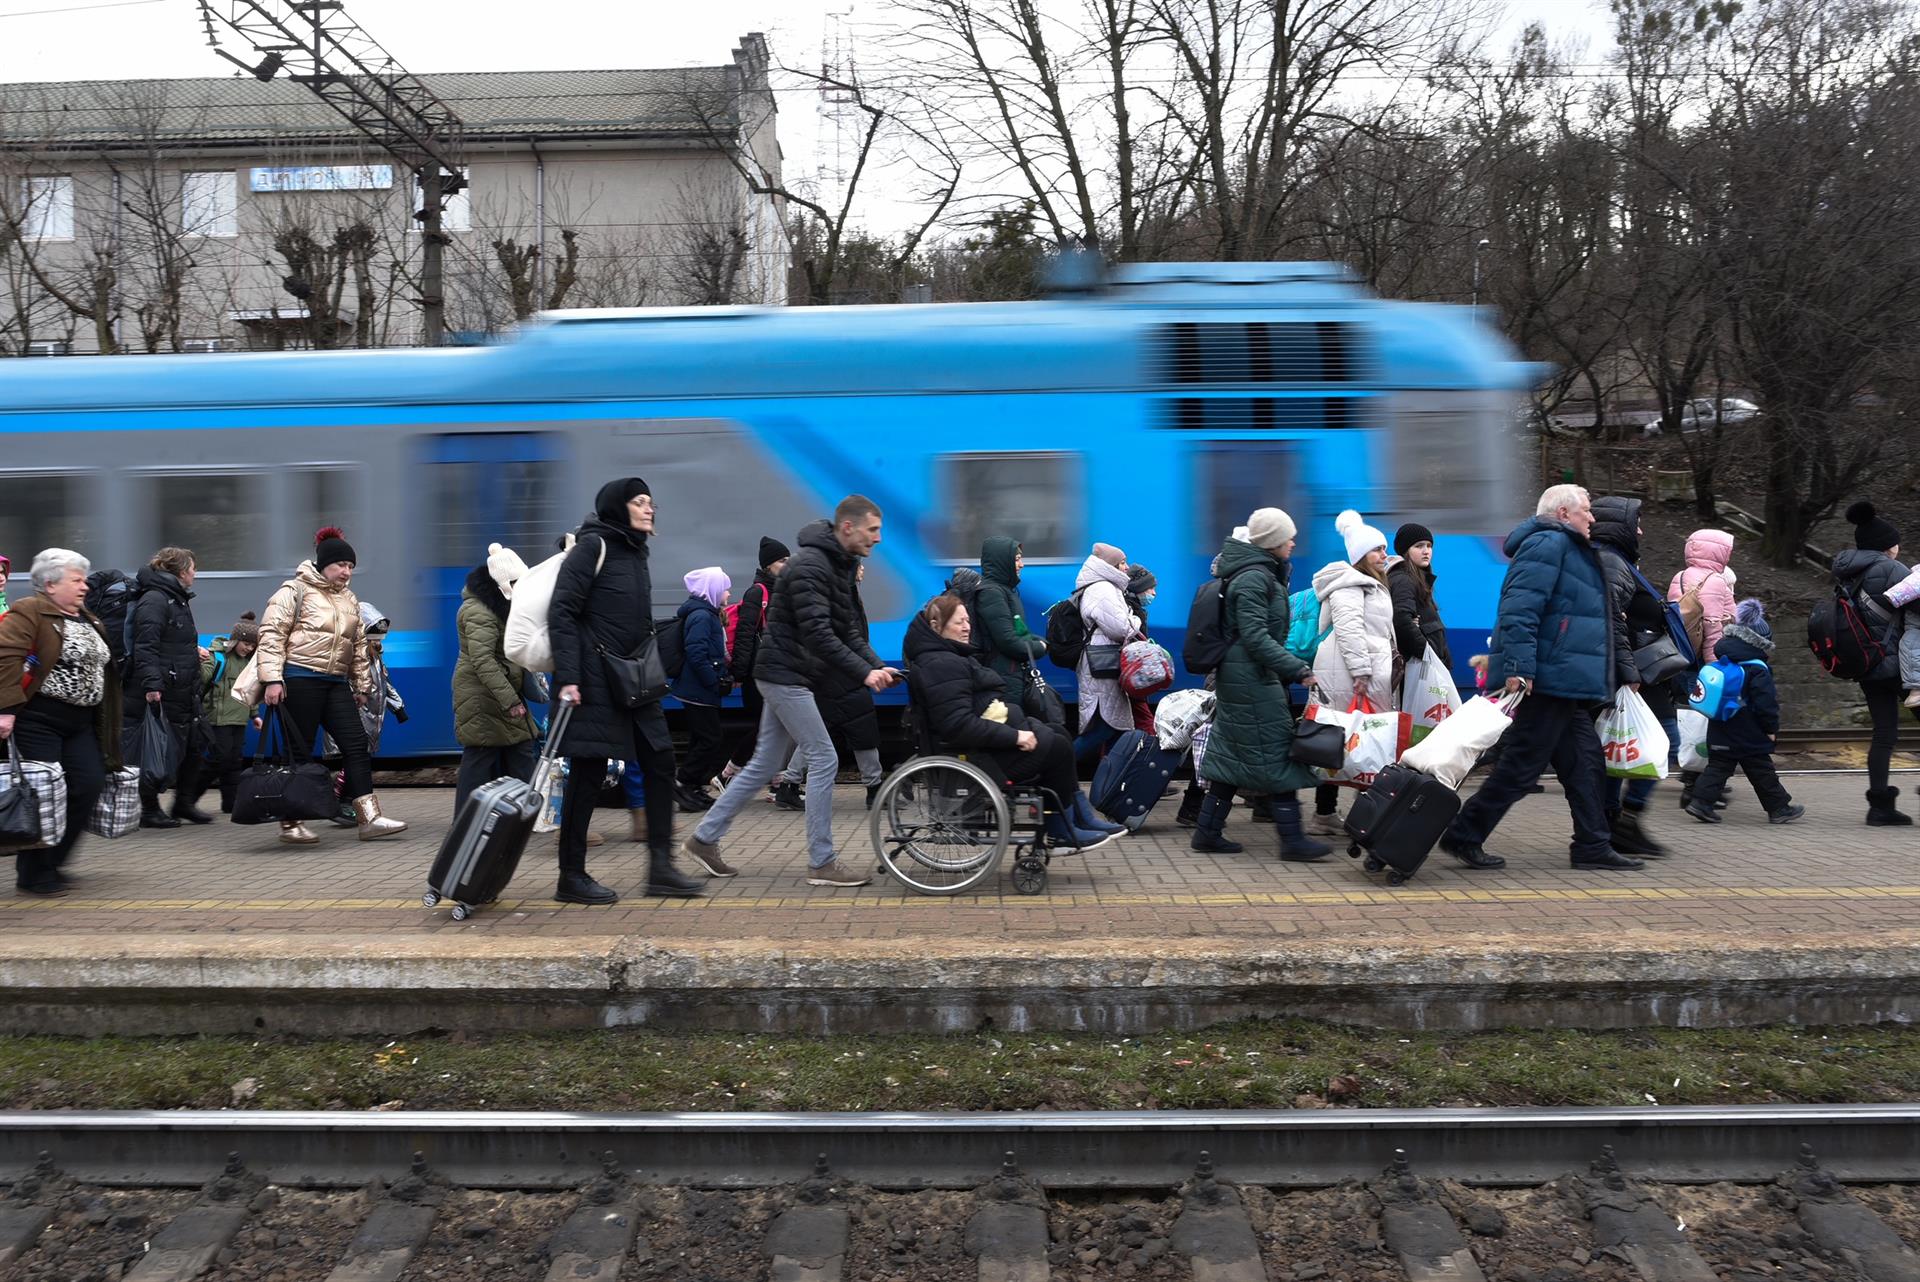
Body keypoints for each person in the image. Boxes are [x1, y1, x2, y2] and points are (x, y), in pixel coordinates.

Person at [685, 496, 900, 888]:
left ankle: (704, 839)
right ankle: (822, 861)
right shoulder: (810, 567)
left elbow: (849, 630)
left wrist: (875, 664)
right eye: (873, 530)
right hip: (786, 674)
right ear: (848, 528)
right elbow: (820, 633)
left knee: (765, 764)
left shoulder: (839, 565)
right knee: (824, 758)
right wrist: (863, 673)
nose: (878, 539)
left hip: (793, 674)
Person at [1439, 484, 1643, 872]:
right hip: (1548, 678)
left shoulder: (1567, 547)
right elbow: (1519, 609)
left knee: (1585, 764)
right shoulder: (1547, 545)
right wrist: (1519, 667)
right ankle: (1463, 833)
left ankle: (1592, 844)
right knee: (1520, 768)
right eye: (1586, 510)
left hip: (1564, 680)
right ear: (1564, 513)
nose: (1592, 518)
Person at [549, 478, 706, 903]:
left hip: (635, 679)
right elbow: (561, 610)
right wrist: (568, 677)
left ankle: (661, 868)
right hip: (593, 681)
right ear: (619, 508)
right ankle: (571, 876)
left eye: (651, 502)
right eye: (640, 502)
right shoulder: (592, 548)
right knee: (587, 776)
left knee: (660, 762)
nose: (649, 509)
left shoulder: (636, 553)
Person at [907, 593, 1120, 851]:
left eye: (967, 620)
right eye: (959, 622)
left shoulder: (945, 655)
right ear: (936, 627)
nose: (967, 627)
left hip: (979, 748)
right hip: (975, 758)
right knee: (1057, 748)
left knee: (1057, 733)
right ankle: (1060, 832)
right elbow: (958, 724)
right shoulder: (942, 663)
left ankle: (1079, 817)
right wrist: (1015, 737)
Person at [1190, 510, 1331, 861]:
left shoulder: (1259, 573)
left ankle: (1207, 833)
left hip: (1245, 675)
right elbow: (1255, 637)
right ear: (1272, 542)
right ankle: (1293, 840)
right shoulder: (1254, 578)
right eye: (1287, 537)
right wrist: (1297, 669)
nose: (1293, 542)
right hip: (1250, 677)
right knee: (1278, 753)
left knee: (1233, 755)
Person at [257, 527, 406, 845]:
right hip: (300, 678)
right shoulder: (293, 591)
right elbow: (271, 634)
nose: (347, 571)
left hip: (335, 683)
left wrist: (362, 686)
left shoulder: (349, 600)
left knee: (357, 745)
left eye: (351, 566)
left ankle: (370, 818)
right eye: (341, 565)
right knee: (298, 751)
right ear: (324, 564)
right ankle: (291, 822)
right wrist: (272, 679)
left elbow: (357, 645)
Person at [0, 549, 121, 896]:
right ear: (51, 585)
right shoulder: (30, 611)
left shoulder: (86, 617)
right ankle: (34, 872)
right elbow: (6, 658)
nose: (84, 586)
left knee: (88, 785)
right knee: (44, 795)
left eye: (84, 579)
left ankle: (54, 860)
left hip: (81, 721)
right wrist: (6, 709)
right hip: (39, 719)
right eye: (77, 580)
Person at [1588, 496, 1676, 858]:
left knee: (1620, 747)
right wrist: (1626, 670)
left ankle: (1617, 824)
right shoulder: (1610, 562)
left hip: (1637, 670)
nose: (1640, 530)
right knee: (1645, 742)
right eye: (1635, 523)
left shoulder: (1619, 561)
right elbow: (1610, 619)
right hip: (1630, 673)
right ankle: (1621, 821)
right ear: (1618, 527)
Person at [1307, 510, 1398, 836]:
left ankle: (1329, 815)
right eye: (1378, 549)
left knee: (1353, 742)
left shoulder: (1371, 583)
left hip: (1360, 671)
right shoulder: (1350, 585)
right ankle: (1358, 817)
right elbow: (1349, 629)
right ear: (1360, 555)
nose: (1383, 554)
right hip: (1351, 674)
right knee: (1353, 740)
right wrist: (1361, 670)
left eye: (1384, 548)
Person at [1833, 501, 1920, 825]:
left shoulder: (1848, 571)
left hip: (1867, 662)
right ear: (1887, 545)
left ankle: (1879, 807)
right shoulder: (1891, 569)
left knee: (1884, 734)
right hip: (1900, 662)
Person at [1683, 599, 1803, 825]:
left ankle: (1700, 802)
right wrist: (1770, 729)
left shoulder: (1724, 661)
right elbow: (1766, 704)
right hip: (1749, 731)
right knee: (1762, 769)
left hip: (1720, 725)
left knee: (1718, 766)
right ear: (1761, 643)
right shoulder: (1757, 669)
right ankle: (1779, 808)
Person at [123, 547, 209, 828]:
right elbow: (145, 645)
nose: (195, 573)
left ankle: (183, 803)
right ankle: (149, 809)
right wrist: (152, 684)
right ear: (182, 571)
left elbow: (170, 639)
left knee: (194, 746)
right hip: (164, 688)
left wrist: (192, 650)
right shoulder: (155, 599)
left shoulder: (176, 599)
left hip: (184, 686)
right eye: (193, 568)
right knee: (158, 747)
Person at [451, 546, 538, 815]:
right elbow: (482, 660)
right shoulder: (479, 611)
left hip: (494, 692)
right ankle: (467, 818)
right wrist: (510, 700)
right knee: (482, 755)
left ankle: (525, 812)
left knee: (518, 749)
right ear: (504, 584)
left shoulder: (496, 607)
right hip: (482, 696)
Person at [724, 536, 788, 787]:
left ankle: (775, 781)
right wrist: (740, 673)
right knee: (765, 725)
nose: (787, 564)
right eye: (783, 561)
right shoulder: (757, 592)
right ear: (768, 565)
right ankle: (730, 772)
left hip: (775, 670)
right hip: (756, 673)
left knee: (774, 725)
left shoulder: (781, 590)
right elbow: (745, 634)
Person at [1072, 542, 1140, 771]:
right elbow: (1120, 628)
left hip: (1103, 666)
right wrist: (1135, 620)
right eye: (1122, 562)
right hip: (1102, 666)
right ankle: (1058, 767)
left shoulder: (1104, 587)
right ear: (1110, 565)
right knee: (1105, 728)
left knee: (1115, 730)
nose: (1126, 567)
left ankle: (1111, 785)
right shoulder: (1102, 589)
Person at [671, 567, 734, 813]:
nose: (728, 594)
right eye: (724, 588)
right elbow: (696, 654)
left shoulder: (706, 614)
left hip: (701, 690)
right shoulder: (701, 616)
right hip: (697, 690)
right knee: (711, 738)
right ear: (713, 590)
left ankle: (693, 787)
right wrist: (713, 682)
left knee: (701, 738)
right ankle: (684, 781)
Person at [198, 612, 261, 814]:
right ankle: (189, 796)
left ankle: (230, 803)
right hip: (219, 718)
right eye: (246, 644)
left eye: (252, 646)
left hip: (239, 719)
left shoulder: (249, 663)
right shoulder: (219, 657)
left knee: (235, 762)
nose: (249, 648)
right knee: (218, 759)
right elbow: (204, 677)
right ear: (236, 640)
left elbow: (249, 691)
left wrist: (254, 714)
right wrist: (200, 660)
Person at [973, 536, 1047, 706]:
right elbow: (1008, 641)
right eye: (1017, 559)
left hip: (1010, 675)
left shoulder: (1005, 591)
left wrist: (1039, 642)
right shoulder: (991, 593)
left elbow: (1021, 632)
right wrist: (1040, 647)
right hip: (1001, 677)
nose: (1022, 565)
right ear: (1002, 561)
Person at [1386, 523, 1451, 672]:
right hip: (1422, 672)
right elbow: (1402, 620)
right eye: (1419, 546)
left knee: (1442, 694)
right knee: (1438, 694)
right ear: (1405, 551)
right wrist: (1427, 655)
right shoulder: (1403, 580)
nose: (1426, 551)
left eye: (1429, 546)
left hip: (1430, 669)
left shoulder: (1420, 581)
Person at [1667, 529, 1738, 663]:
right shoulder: (1715, 580)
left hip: (1679, 648)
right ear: (1718, 553)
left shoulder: (1680, 575)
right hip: (1701, 655)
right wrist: (1713, 663)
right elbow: (1711, 624)